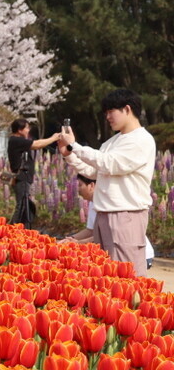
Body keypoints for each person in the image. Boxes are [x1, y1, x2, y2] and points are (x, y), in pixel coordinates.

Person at [61, 88, 157, 277]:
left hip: (126, 214)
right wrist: (69, 155)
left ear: (127, 109)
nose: (107, 117)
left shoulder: (141, 140)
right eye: (106, 113)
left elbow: (110, 163)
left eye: (111, 111)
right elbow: (95, 171)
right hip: (105, 213)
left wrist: (75, 146)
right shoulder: (112, 142)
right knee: (107, 274)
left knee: (126, 275)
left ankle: (132, 307)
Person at [61, 175, 155, 269]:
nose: (78, 189)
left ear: (91, 185)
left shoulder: (108, 203)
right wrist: (70, 239)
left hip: (137, 253)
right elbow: (90, 230)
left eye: (80, 185)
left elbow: (108, 234)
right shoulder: (93, 203)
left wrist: (79, 242)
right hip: (117, 249)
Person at [7, 118, 61, 227]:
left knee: (25, 205)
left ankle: (22, 228)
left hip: (24, 178)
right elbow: (37, 144)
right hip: (21, 178)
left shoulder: (18, 141)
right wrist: (53, 138)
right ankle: (12, 229)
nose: (28, 130)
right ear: (19, 130)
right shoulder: (16, 140)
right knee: (22, 205)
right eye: (26, 128)